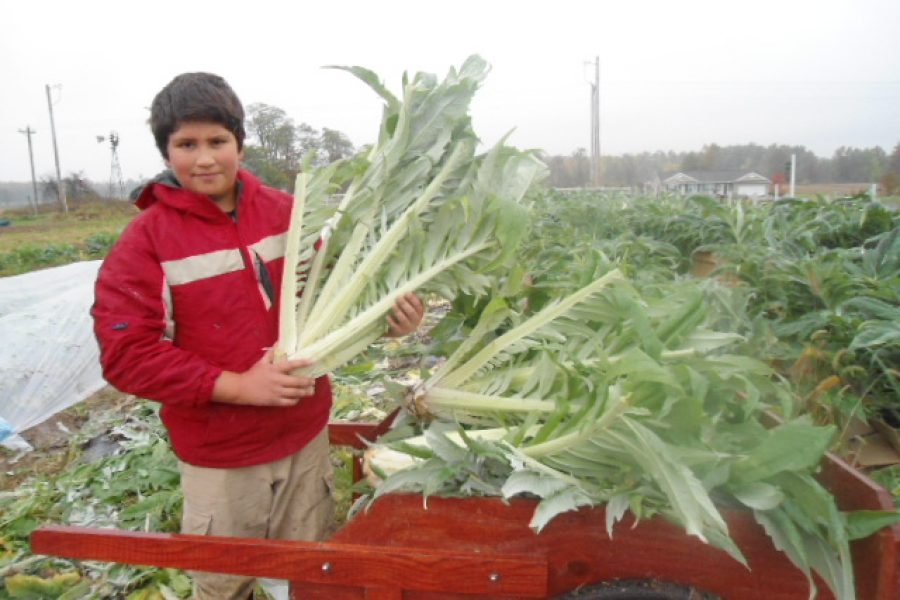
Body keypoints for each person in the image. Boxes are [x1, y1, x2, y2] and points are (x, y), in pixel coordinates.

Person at [91, 72, 424, 600]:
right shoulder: (146, 241)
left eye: (217, 141)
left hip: (303, 436)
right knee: (226, 583)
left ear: (240, 144)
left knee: (312, 576)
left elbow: (340, 292)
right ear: (165, 152)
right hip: (221, 455)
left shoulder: (287, 212)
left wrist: (393, 317)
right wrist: (238, 385)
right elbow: (127, 355)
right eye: (186, 144)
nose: (204, 159)